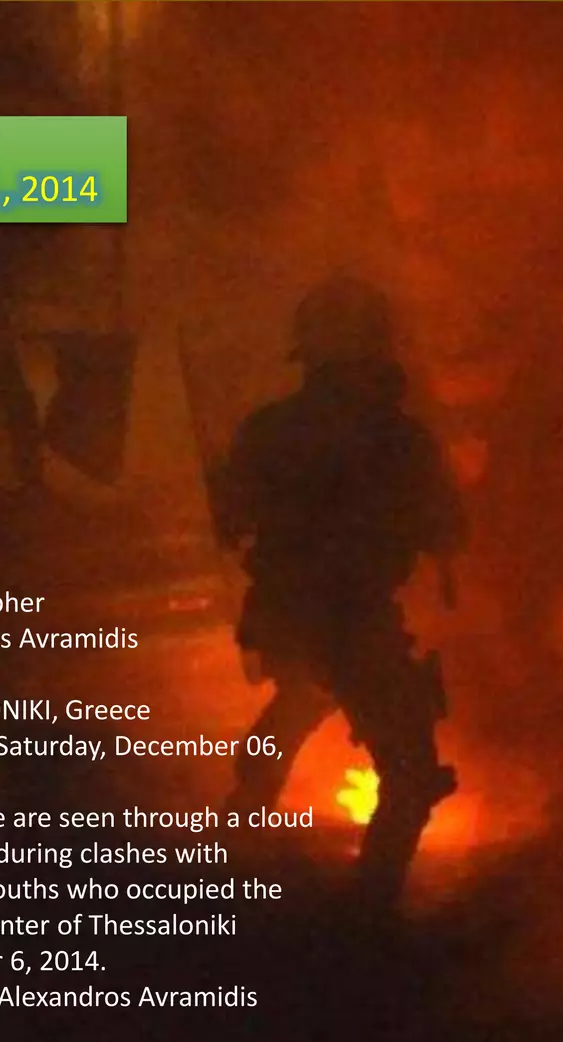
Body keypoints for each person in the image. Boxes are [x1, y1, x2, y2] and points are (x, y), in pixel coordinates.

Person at [215, 275, 467, 910]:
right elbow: (448, 527)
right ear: (380, 350)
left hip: (290, 614)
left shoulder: (269, 429)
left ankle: (235, 875)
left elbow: (229, 517)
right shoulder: (399, 438)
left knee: (299, 700)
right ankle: (367, 920)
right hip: (353, 618)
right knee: (408, 774)